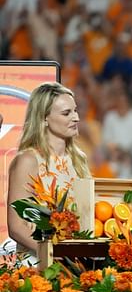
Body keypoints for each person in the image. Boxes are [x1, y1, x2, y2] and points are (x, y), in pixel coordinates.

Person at [7, 82, 91, 259]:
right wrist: (55, 255)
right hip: (37, 267)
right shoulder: (28, 160)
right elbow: (16, 226)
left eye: (75, 110)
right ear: (44, 118)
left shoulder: (79, 159)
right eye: (66, 113)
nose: (76, 118)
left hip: (76, 264)